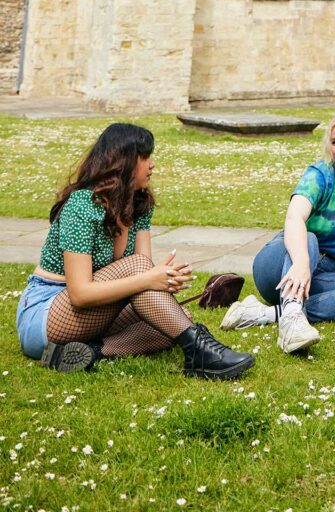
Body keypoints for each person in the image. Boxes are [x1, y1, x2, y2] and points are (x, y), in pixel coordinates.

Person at [15, 123, 254, 379]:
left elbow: (142, 283)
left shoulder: (138, 203)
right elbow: (80, 294)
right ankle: (199, 350)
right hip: (47, 315)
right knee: (144, 274)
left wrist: (162, 281)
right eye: (145, 157)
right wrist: (149, 278)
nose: (152, 165)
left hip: (92, 316)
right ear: (123, 162)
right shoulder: (83, 205)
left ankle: (90, 352)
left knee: (175, 318)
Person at [221, 109, 335, 353]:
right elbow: (295, 216)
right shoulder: (320, 175)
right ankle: (291, 325)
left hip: (319, 273)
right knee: (310, 237)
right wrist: (300, 262)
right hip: (279, 264)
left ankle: (265, 313)